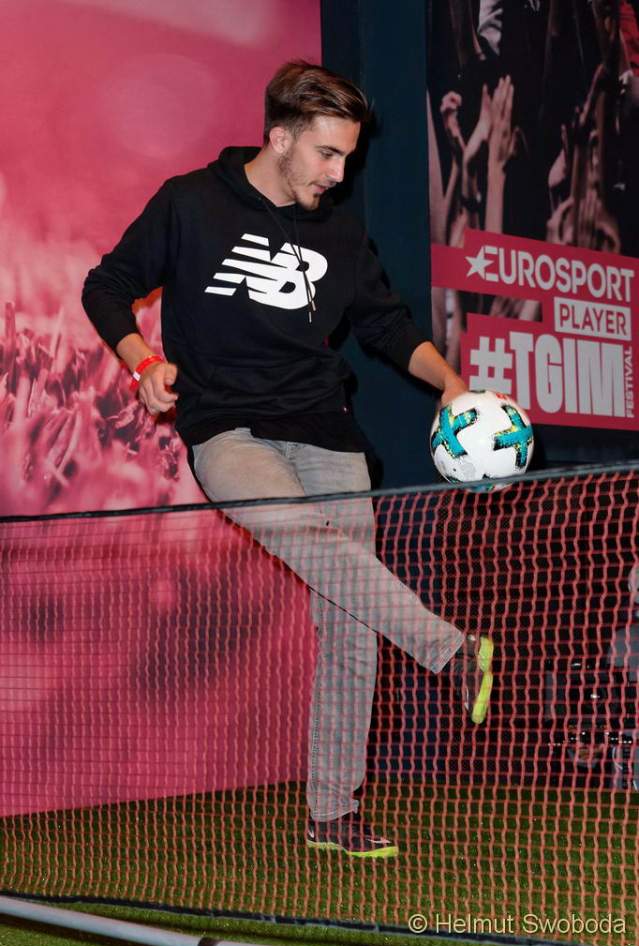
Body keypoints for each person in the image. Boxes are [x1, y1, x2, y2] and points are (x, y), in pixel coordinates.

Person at [82, 61, 494, 859]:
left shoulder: (337, 230)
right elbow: (108, 285)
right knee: (311, 541)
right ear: (279, 138)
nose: (339, 174)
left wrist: (451, 386)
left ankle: (331, 814)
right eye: (326, 155)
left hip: (328, 432)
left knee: (350, 623)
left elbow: (385, 324)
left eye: (347, 158)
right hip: (228, 431)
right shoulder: (190, 203)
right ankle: (448, 650)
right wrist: (143, 361)